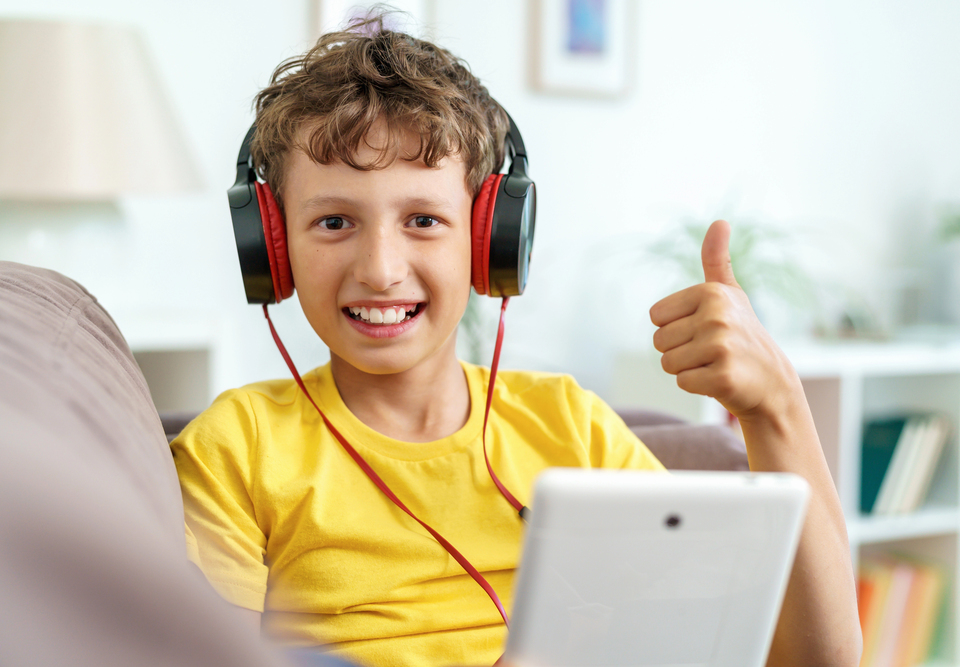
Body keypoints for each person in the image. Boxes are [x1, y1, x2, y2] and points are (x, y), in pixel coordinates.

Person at [171, 14, 861, 667]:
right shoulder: (236, 445)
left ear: (489, 240)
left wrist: (778, 407)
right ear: (273, 245)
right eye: (333, 222)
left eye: (422, 219)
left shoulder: (572, 426)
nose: (380, 269)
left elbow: (816, 657)